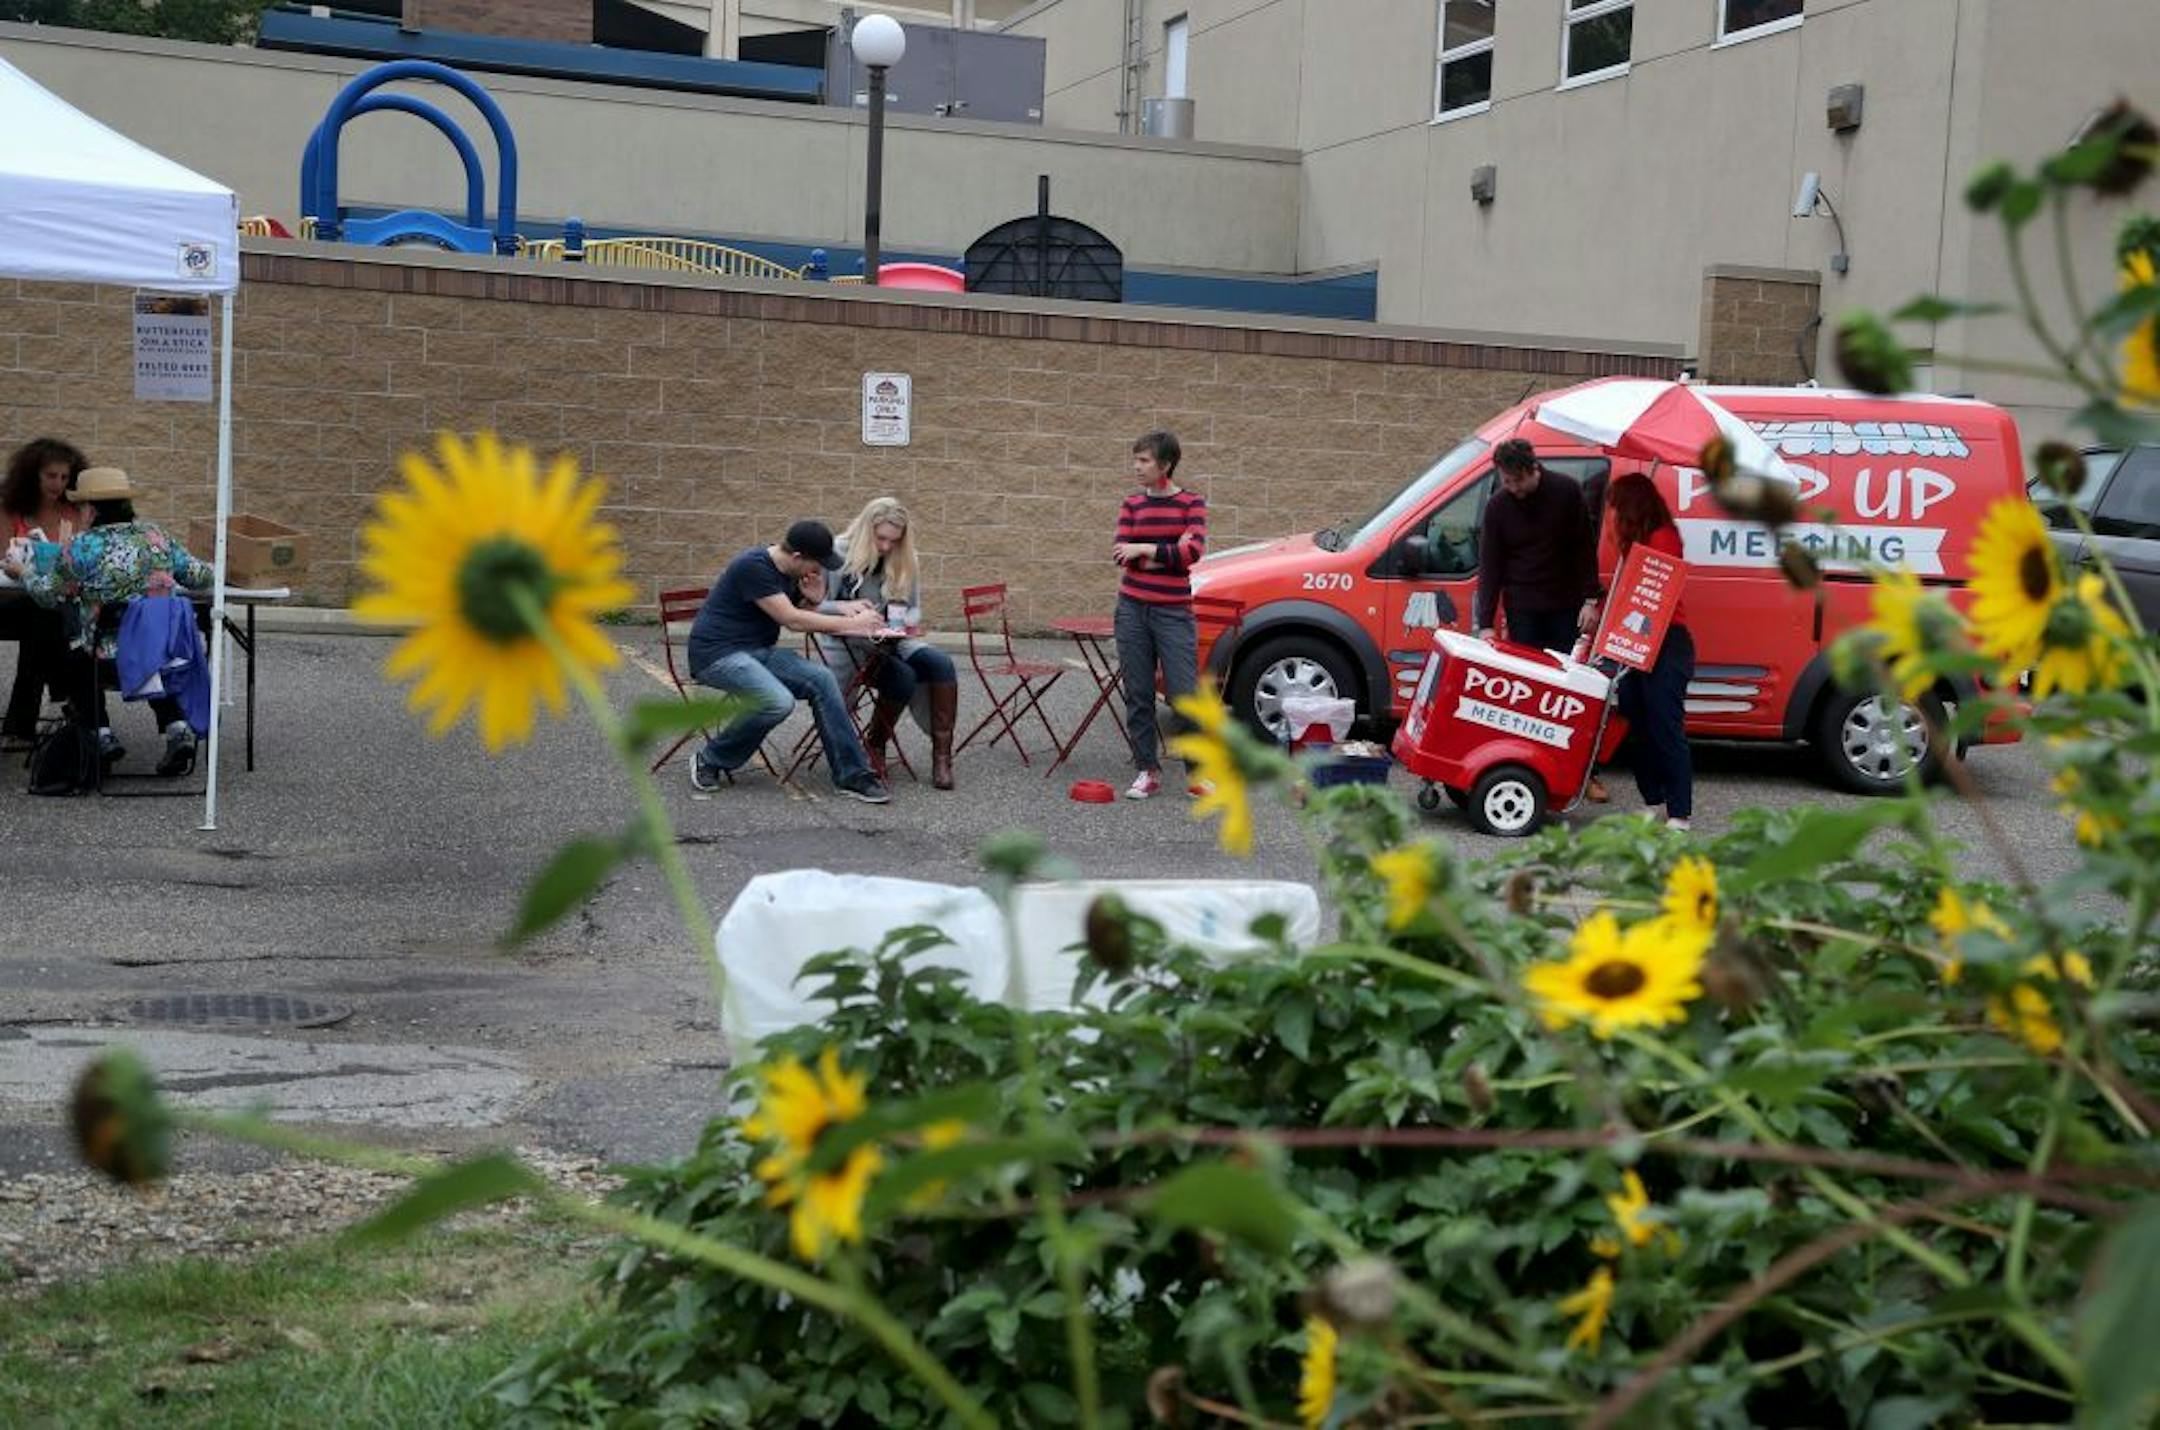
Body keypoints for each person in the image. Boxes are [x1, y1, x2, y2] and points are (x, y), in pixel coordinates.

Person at [0, 467, 211, 776]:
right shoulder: (156, 537)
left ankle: (101, 733)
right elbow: (200, 577)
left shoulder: (82, 547)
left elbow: (48, 595)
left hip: (101, 656)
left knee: (72, 646)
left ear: (92, 510)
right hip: (159, 651)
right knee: (150, 652)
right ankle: (177, 729)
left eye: (81, 506)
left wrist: (23, 573)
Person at [686, 519, 891, 804]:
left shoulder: (793, 572)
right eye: (816, 563)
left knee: (822, 678)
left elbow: (800, 611)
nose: (818, 570)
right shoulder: (753, 566)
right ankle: (710, 759)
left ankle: (852, 774)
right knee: (777, 701)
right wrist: (856, 624)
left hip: (758, 652)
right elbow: (792, 620)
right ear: (797, 557)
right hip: (717, 655)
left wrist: (815, 600)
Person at [820, 497, 960, 790]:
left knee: (941, 663)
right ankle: (876, 745)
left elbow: (915, 608)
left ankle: (942, 758)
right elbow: (815, 607)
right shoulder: (836, 552)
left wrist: (903, 621)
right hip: (849, 643)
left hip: (891, 641)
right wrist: (849, 611)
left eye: (893, 541)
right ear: (865, 528)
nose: (886, 547)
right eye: (880, 538)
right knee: (903, 678)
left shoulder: (906, 557)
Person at [1582, 473, 1695, 831]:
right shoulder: (1634, 541)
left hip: (1666, 642)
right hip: (1637, 642)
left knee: (1665, 726)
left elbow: (1650, 597)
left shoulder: (1662, 538)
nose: (1611, 515)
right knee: (1636, 720)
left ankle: (1679, 813)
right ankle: (1653, 800)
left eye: (1616, 507)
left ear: (1631, 508)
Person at [1112, 429, 1207, 801]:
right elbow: (1120, 554)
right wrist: (1165, 551)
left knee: (1185, 695)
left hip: (1173, 613)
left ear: (1165, 465)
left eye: (1144, 460)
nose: (1136, 467)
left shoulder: (1191, 504)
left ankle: (1198, 775)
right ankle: (1146, 770)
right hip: (1132, 610)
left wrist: (1145, 549)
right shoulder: (1131, 505)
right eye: (1136, 459)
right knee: (1138, 693)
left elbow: (1193, 552)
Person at [0, 438, 90, 748]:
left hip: (47, 601)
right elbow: (3, 559)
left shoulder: (74, 511)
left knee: (45, 619)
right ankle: (65, 696)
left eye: (65, 477)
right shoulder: (12, 509)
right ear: (33, 475)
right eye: (51, 476)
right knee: (47, 619)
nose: (58, 483)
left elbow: (80, 560)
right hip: (10, 599)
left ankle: (20, 727)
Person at [1472, 437, 1597, 654]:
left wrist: (1591, 599)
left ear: (1533, 468)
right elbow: (1491, 565)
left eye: (1518, 480)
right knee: (1527, 668)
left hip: (1565, 605)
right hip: (1522, 609)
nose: (1513, 488)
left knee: (1562, 669)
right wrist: (1485, 624)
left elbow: (1584, 548)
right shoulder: (1498, 506)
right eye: (1506, 481)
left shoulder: (1567, 492)